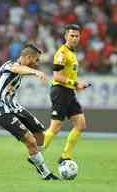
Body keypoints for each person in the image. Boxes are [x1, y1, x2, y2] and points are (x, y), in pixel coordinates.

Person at [0, 44, 59, 180]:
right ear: (28, 57)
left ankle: (34, 156)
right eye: (36, 60)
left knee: (40, 134)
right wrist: (35, 72)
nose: (37, 63)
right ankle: (45, 173)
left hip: (14, 107)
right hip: (1, 112)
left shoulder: (17, 69)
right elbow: (17, 69)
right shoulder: (11, 66)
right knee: (30, 141)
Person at [43, 24, 91, 164]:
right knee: (55, 127)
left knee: (81, 124)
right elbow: (57, 76)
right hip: (60, 92)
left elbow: (67, 76)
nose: (75, 38)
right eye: (72, 36)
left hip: (68, 91)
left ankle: (65, 156)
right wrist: (76, 84)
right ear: (66, 36)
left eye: (77, 36)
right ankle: (36, 154)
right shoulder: (62, 53)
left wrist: (77, 85)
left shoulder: (72, 53)